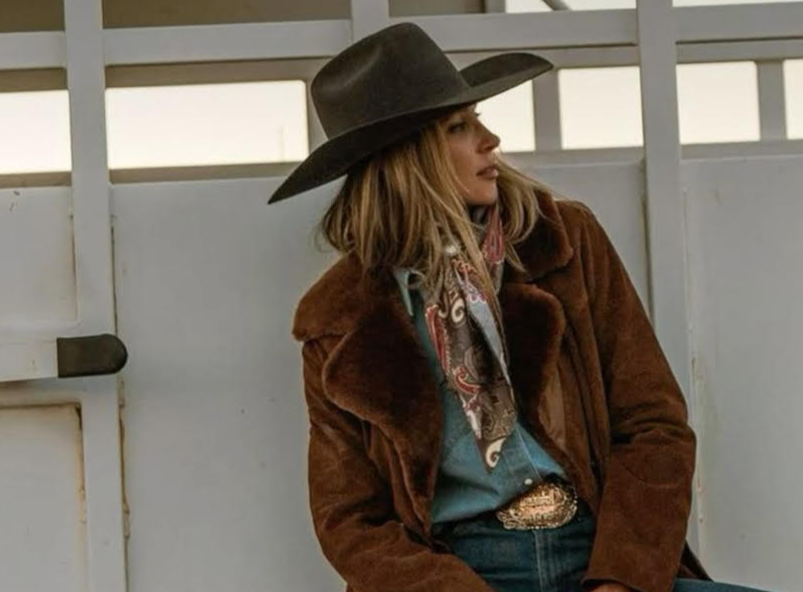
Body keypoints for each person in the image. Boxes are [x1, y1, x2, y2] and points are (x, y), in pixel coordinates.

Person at [271, 22, 763, 592]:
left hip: (598, 553)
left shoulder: (564, 242)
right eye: (460, 126)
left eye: (477, 118)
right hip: (460, 573)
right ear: (409, 159)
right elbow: (350, 522)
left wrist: (619, 582)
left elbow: (654, 426)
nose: (490, 140)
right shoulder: (338, 321)